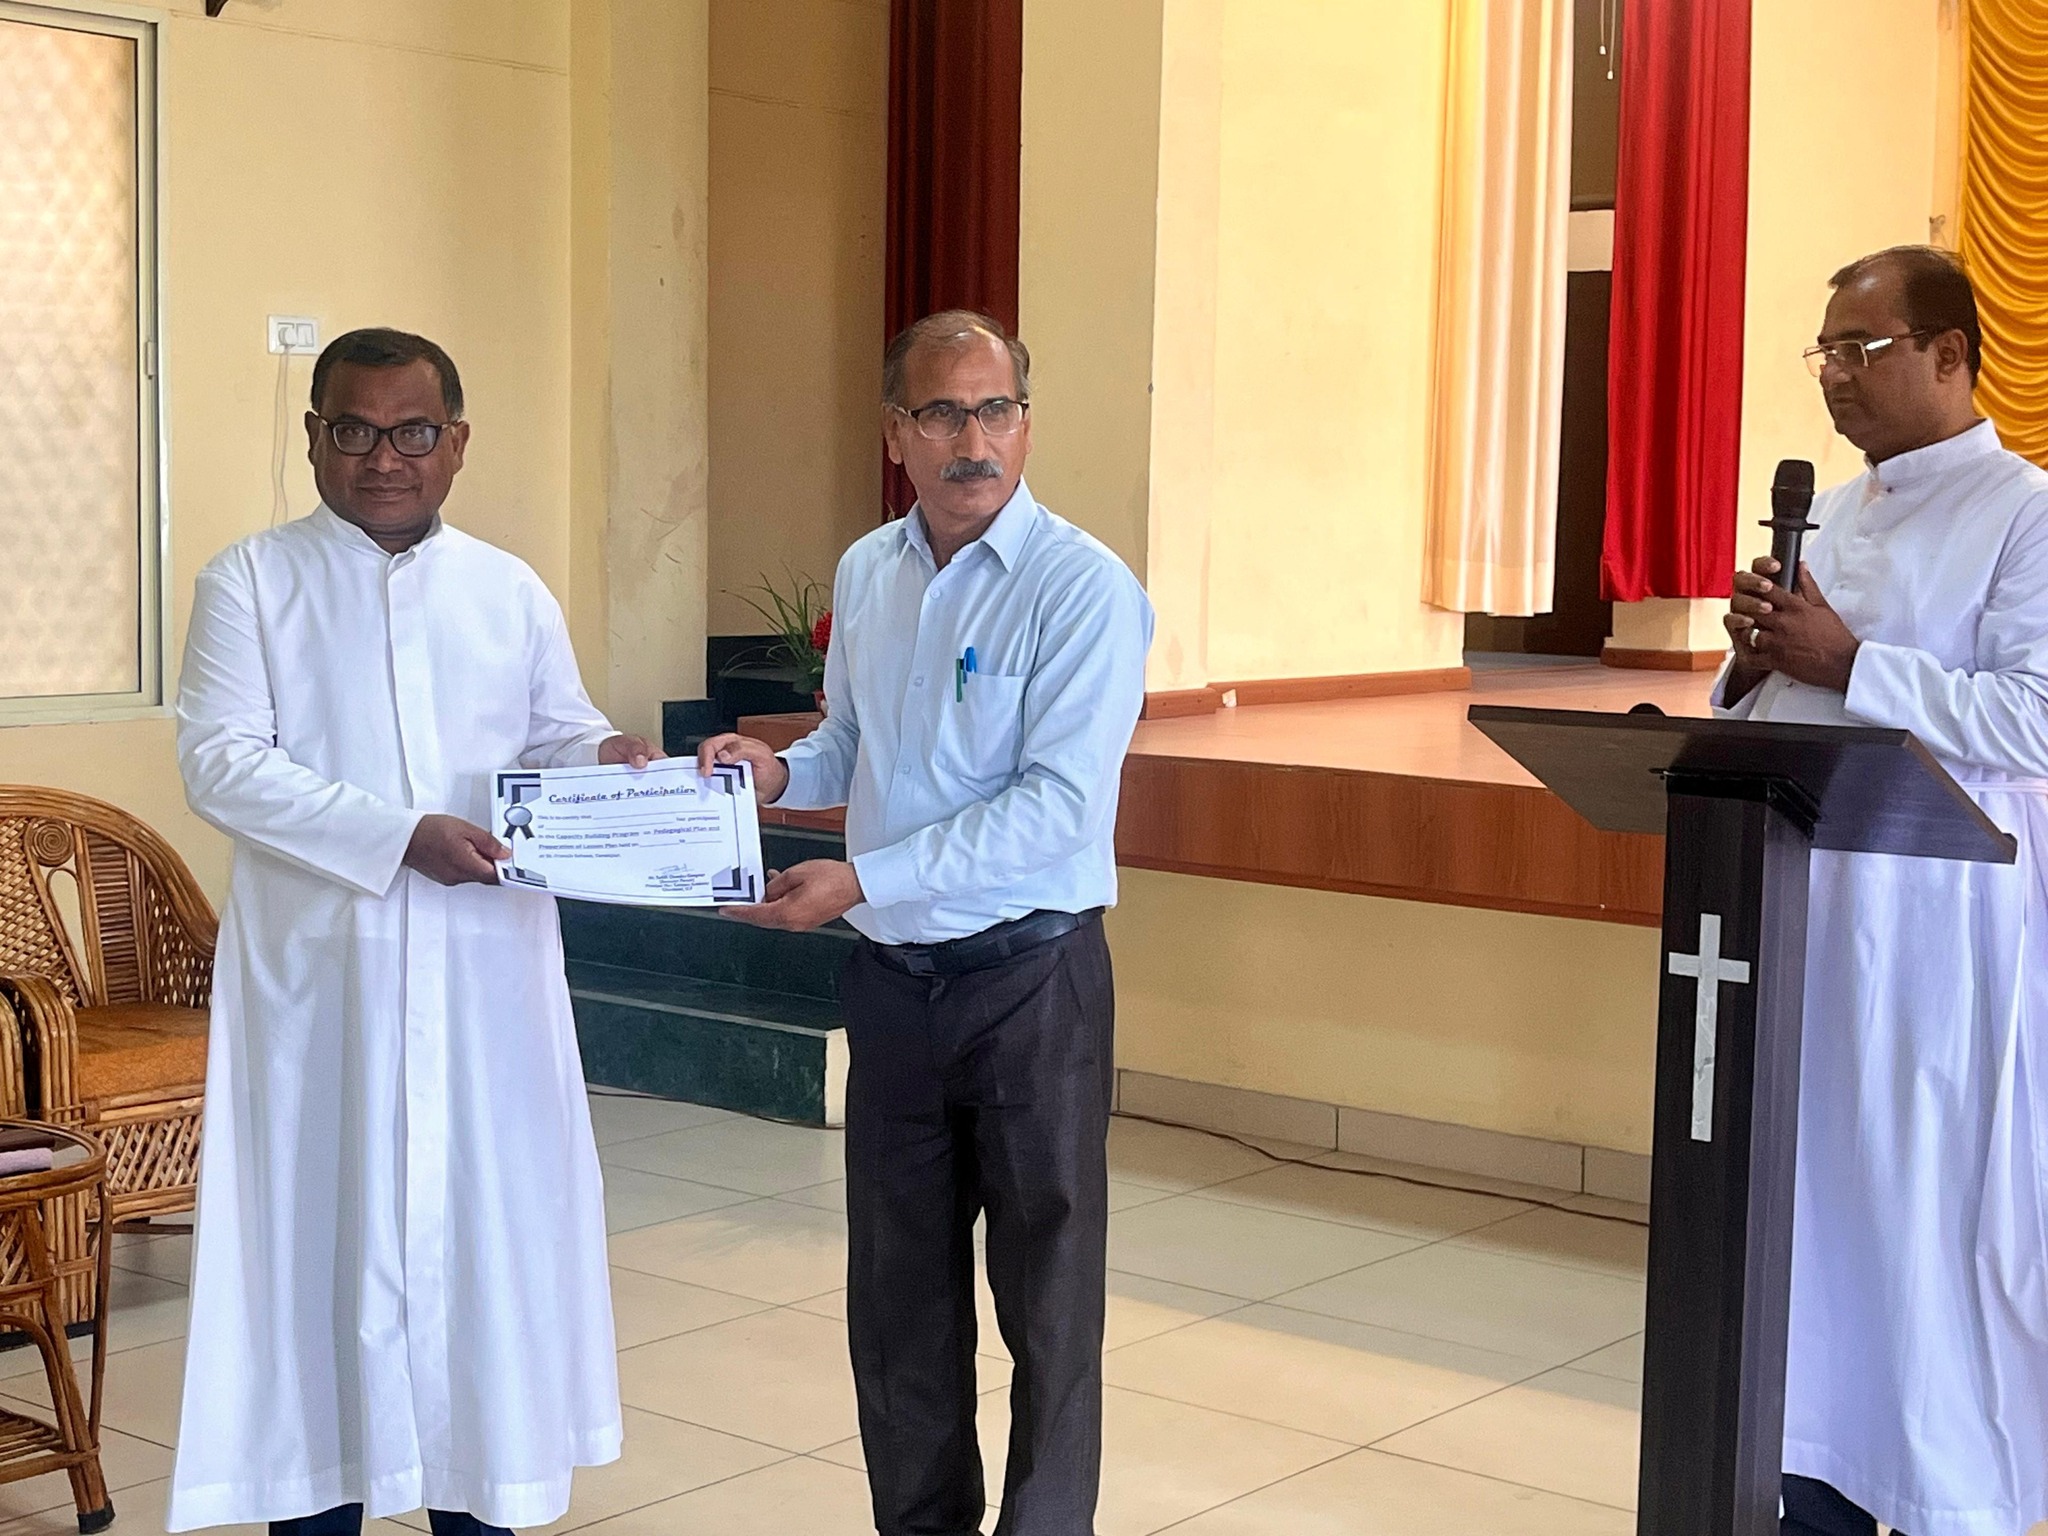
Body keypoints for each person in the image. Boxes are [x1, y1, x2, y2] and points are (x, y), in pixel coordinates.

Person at [170, 328, 656, 1534]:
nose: (383, 458)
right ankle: (317, 1502)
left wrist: (610, 760)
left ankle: (475, 1498)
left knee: (484, 1250)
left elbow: (555, 735)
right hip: (321, 988)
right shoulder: (250, 581)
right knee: (316, 1250)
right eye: (354, 430)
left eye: (412, 432)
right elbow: (222, 763)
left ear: (457, 443)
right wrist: (398, 837)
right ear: (313, 437)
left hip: (485, 982)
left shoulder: (507, 588)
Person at [698, 310, 1152, 1536]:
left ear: (1025, 424)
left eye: (995, 410)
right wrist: (775, 772)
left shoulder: (1082, 589)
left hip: (1031, 982)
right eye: (943, 413)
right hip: (894, 983)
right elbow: (852, 738)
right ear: (895, 431)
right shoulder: (869, 570)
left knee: (1047, 1306)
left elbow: (1057, 807)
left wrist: (862, 878)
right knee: (897, 1300)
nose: (972, 440)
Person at [1719, 247, 2048, 1536]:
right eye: (1823, 353)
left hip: (1935, 929)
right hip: (1806, 903)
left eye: (1857, 350)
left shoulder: (2022, 512)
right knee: (1814, 1218)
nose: (1831, 378)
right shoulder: (1838, 513)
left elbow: (2031, 720)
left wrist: (1847, 661)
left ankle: (1934, 1485)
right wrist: (1752, 664)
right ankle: (1812, 1469)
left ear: (1949, 354)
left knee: (1916, 1220)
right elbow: (1803, 688)